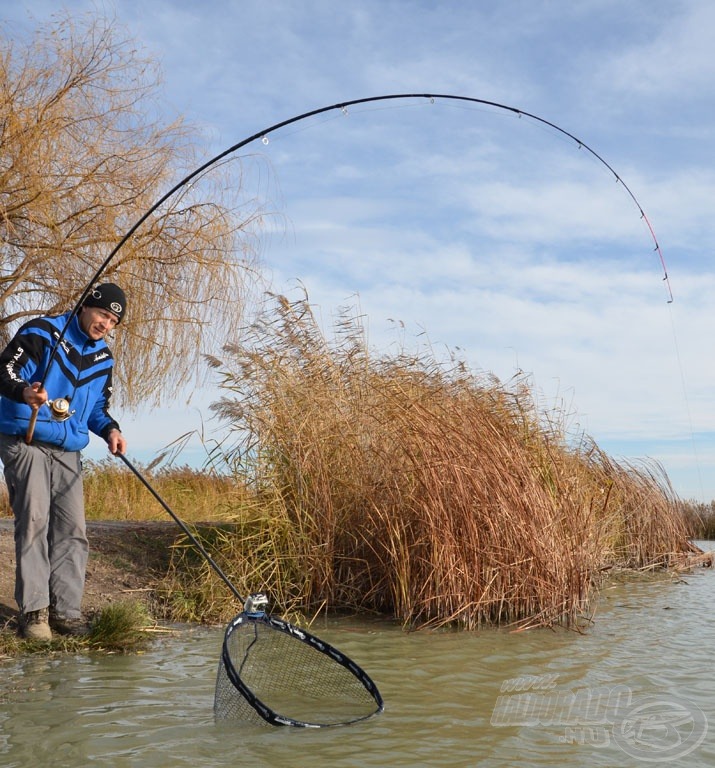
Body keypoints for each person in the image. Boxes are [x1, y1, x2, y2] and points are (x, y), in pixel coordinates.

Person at [0, 283, 128, 640]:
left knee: (74, 530)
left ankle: (67, 613)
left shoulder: (104, 359)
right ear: (86, 306)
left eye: (114, 321)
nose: (106, 324)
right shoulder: (42, 332)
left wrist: (111, 431)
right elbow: (5, 371)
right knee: (35, 522)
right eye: (103, 314)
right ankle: (35, 614)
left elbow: (98, 410)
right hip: (24, 439)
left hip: (68, 448)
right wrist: (26, 392)